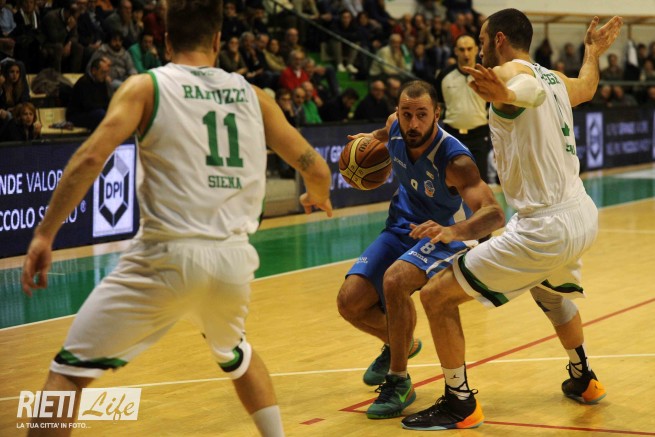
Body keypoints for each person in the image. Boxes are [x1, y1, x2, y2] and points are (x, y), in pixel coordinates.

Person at [21, 2, 333, 437]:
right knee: (237, 355)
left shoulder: (147, 86)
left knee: (68, 374)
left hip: (165, 257)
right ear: (218, 41)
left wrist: (44, 234)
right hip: (232, 264)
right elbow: (315, 168)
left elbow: (91, 157)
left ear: (166, 41)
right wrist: (317, 195)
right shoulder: (254, 96)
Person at [399, 10, 622, 431]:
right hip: (581, 214)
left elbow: (524, 91)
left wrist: (504, 91)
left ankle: (459, 403)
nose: (480, 45)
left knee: (436, 296)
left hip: (545, 227)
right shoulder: (554, 77)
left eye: (482, 38)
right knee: (551, 293)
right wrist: (592, 52)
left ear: (498, 39)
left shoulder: (512, 76)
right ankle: (584, 378)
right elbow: (588, 87)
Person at [336, 80, 504, 419]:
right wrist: (370, 140)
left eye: (422, 115)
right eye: (406, 114)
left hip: (444, 235)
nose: (412, 123)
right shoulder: (395, 127)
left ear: (437, 115)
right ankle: (401, 344)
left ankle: (399, 380)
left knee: (395, 280)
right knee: (349, 301)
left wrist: (451, 231)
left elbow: (494, 214)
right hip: (401, 226)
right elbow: (385, 133)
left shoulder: (455, 160)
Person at [435, 34, 492, 183]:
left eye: (469, 49)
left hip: (479, 135)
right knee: (451, 182)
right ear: (455, 51)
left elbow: (493, 103)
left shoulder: (486, 75)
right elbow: (439, 105)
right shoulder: (444, 76)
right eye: (461, 49)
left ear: (476, 49)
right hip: (452, 135)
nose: (466, 54)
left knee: (480, 181)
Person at [66, 55, 111, 129]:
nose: (105, 75)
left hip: (92, 112)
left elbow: (106, 100)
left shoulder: (101, 81)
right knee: (100, 114)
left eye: (106, 72)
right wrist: (103, 107)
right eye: (103, 72)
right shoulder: (84, 82)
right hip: (77, 115)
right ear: (94, 71)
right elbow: (87, 105)